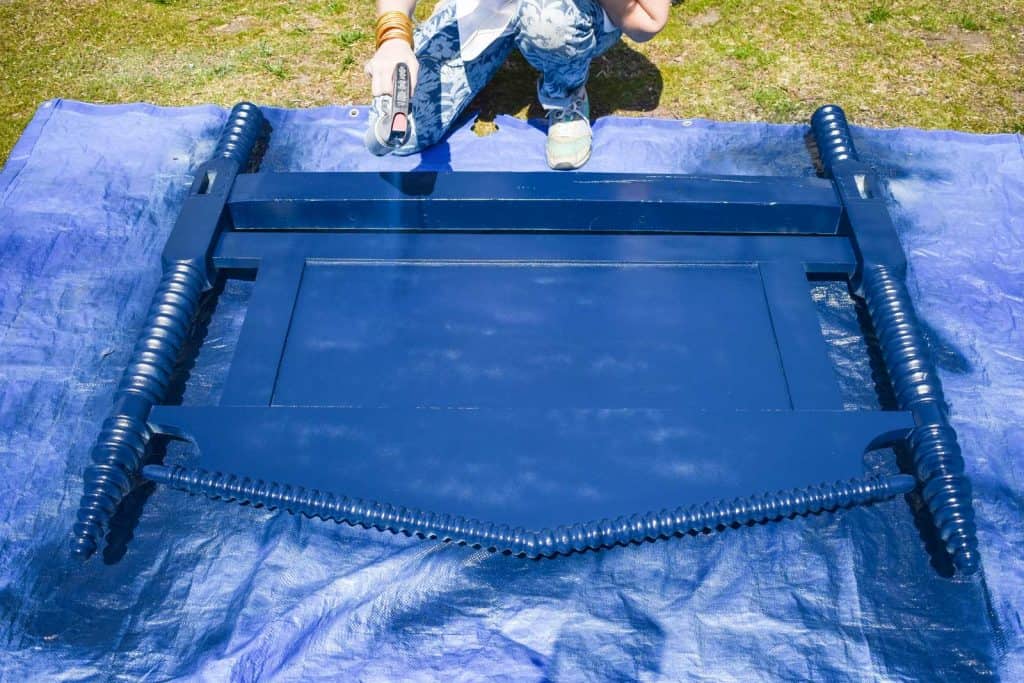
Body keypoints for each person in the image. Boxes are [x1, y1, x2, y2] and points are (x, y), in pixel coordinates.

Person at [365, 0, 670, 169]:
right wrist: (394, 36)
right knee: (403, 136)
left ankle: (565, 95)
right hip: (487, 6)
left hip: (566, 12)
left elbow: (647, 21)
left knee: (549, 24)